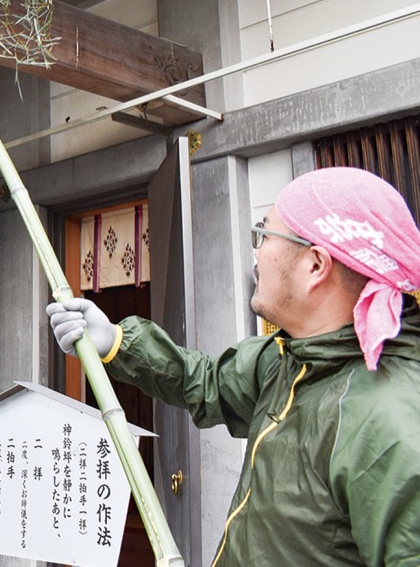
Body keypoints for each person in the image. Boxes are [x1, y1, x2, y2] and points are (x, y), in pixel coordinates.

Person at [46, 167, 420, 566]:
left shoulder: (390, 421)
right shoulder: (286, 360)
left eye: (265, 233)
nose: (255, 251)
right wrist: (117, 343)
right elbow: (205, 381)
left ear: (315, 265)